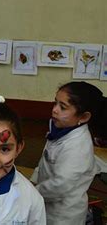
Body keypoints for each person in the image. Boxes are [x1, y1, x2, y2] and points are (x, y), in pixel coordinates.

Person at [31, 82, 106, 224]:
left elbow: (61, 185)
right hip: (45, 202)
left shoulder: (78, 146)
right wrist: (33, 180)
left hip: (63, 216)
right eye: (55, 103)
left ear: (83, 117)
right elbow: (45, 159)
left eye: (62, 107)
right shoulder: (59, 129)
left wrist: (32, 193)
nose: (54, 110)